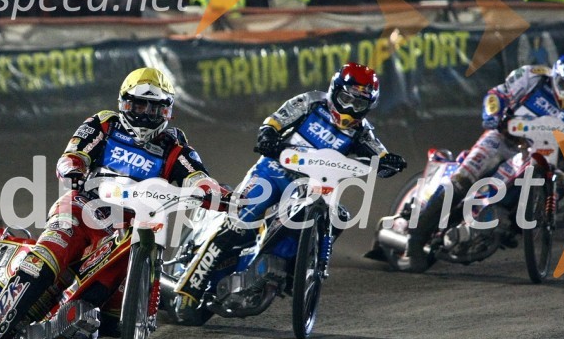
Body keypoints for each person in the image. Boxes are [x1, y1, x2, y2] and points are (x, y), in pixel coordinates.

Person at [0, 67, 228, 339]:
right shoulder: (104, 124)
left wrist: (216, 194)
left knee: (112, 313)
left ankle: (64, 327)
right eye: (139, 105)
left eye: (155, 108)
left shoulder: (175, 147)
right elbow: (72, 156)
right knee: (44, 262)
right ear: (124, 103)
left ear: (167, 110)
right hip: (81, 209)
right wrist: (73, 169)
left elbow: (199, 178)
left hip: (128, 231)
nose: (145, 114)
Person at [167, 62, 407, 324]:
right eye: (345, 98)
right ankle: (189, 287)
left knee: (337, 214)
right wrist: (268, 136)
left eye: (358, 103)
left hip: (311, 186)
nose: (349, 107)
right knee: (240, 222)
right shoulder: (311, 103)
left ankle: (298, 271)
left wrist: (389, 162)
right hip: (272, 172)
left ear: (368, 106)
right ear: (334, 91)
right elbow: (276, 121)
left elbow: (379, 152)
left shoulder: (362, 131)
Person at [400, 51, 564, 271]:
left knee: (562, 185)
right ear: (556, 74)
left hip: (538, 152)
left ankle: (512, 226)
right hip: (502, 140)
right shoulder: (532, 76)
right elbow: (497, 94)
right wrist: (494, 114)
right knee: (464, 179)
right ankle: (414, 242)